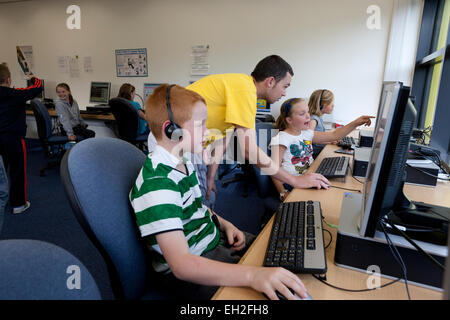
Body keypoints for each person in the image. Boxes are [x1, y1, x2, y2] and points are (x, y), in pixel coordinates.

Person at [131, 84, 308, 300]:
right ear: (172, 130)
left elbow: (197, 207)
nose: (209, 131)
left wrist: (226, 225)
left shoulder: (182, 162)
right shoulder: (158, 185)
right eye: (201, 125)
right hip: (191, 274)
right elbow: (182, 266)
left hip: (213, 242)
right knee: (276, 289)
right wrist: (253, 276)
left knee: (287, 256)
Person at [270, 98, 374, 200]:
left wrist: (356, 122)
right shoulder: (281, 139)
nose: (308, 116)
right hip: (292, 183)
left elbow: (334, 135)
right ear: (289, 120)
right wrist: (283, 192)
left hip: (308, 177)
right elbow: (272, 169)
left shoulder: (305, 133)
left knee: (337, 190)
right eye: (302, 114)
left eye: (308, 112)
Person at [0, 62, 43, 214]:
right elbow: (38, 86)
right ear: (9, 80)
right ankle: (18, 204)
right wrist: (31, 76)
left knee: (0, 171)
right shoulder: (16, 94)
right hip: (14, 139)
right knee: (17, 170)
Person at [307, 89, 335, 158]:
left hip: (320, 152)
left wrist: (330, 141)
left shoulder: (319, 117)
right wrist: (329, 141)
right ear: (321, 105)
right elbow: (309, 138)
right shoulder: (313, 119)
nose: (333, 105)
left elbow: (317, 139)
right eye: (330, 103)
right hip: (315, 155)